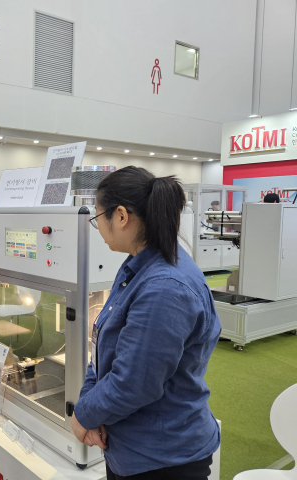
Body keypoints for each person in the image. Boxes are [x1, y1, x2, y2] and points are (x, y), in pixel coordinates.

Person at [71, 166, 221, 479]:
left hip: (163, 460)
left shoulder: (165, 287)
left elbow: (133, 384)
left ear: (121, 216)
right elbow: (103, 351)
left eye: (98, 218)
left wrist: (83, 416)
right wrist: (91, 402)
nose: (98, 228)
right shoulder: (136, 268)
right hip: (130, 448)